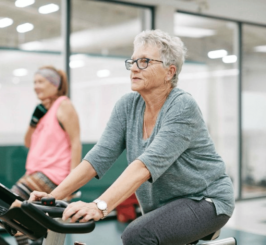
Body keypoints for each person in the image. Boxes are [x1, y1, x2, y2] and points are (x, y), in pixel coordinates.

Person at [26, 30, 235, 245]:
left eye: (144, 61)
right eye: (133, 61)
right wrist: (54, 195)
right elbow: (99, 156)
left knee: (138, 235)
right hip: (163, 206)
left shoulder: (181, 106)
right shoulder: (127, 105)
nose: (134, 68)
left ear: (169, 72)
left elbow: (146, 165)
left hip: (205, 200)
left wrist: (100, 206)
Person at [12, 65, 81, 245]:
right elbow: (27, 142)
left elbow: (76, 143)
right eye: (34, 82)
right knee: (26, 220)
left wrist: (72, 182)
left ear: (54, 84)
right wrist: (34, 120)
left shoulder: (64, 105)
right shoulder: (42, 110)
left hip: (53, 174)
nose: (36, 86)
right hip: (35, 173)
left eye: (40, 81)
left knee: (12, 205)